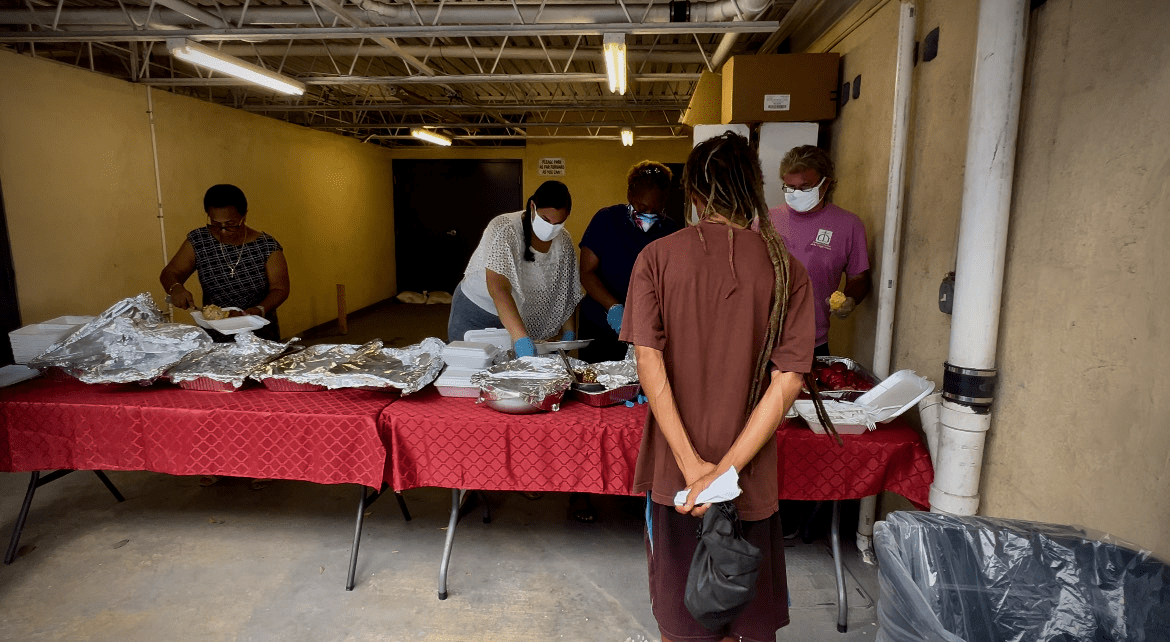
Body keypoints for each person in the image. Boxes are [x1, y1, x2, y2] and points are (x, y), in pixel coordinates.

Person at [620, 132, 815, 642]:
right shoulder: (786, 268)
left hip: (676, 476)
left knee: (682, 622)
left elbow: (649, 362)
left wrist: (694, 471)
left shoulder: (656, 259)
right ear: (752, 191)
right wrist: (725, 473)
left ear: (694, 195)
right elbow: (789, 379)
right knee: (747, 623)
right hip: (749, 475)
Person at [447, 180, 582, 356]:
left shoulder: (563, 241)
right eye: (546, 219)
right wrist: (521, 339)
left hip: (520, 316)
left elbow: (565, 293)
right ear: (533, 206)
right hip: (479, 313)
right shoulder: (505, 228)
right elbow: (498, 288)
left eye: (559, 223)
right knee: (473, 368)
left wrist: (568, 334)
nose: (551, 228)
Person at [766, 145, 870, 357]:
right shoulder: (765, 221)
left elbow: (859, 277)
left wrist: (849, 299)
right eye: (789, 187)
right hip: (764, 340)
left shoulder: (848, 225)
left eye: (805, 188)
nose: (796, 194)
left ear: (826, 184)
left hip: (813, 343)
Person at [578, 161, 681, 364]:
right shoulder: (606, 220)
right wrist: (615, 308)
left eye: (656, 209)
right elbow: (587, 273)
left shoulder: (670, 230)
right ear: (630, 195)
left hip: (645, 329)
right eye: (642, 207)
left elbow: (672, 281)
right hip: (601, 325)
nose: (649, 214)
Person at [160, 184, 289, 344]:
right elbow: (171, 273)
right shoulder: (199, 241)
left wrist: (258, 310)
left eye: (230, 225)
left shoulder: (267, 246)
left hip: (259, 335)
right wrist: (176, 288)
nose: (222, 231)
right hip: (215, 335)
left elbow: (280, 289)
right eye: (215, 224)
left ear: (244, 216)